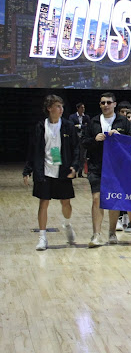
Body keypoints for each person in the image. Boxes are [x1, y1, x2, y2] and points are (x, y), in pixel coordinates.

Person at [23, 95, 80, 251]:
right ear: (49, 108)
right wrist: (27, 169)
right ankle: (42, 237)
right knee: (43, 202)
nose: (61, 109)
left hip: (63, 170)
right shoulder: (41, 126)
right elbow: (33, 149)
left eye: (62, 106)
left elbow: (76, 148)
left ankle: (67, 224)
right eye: (57, 106)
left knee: (66, 202)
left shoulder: (68, 126)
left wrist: (75, 166)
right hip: (45, 170)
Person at [82, 92, 131, 247]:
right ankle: (96, 234)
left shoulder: (124, 122)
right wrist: (95, 139)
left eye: (108, 102)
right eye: (102, 103)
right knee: (96, 199)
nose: (105, 105)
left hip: (117, 167)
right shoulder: (93, 121)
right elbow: (84, 142)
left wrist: (120, 137)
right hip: (97, 166)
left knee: (114, 199)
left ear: (114, 104)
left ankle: (112, 232)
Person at [69, 102, 89, 177]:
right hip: (75, 137)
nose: (83, 109)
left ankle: (80, 171)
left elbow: (88, 126)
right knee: (75, 154)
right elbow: (71, 126)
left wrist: (79, 126)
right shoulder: (72, 117)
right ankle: (73, 171)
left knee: (82, 156)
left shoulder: (86, 117)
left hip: (83, 138)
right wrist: (83, 126)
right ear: (78, 108)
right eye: (81, 107)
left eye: (84, 107)